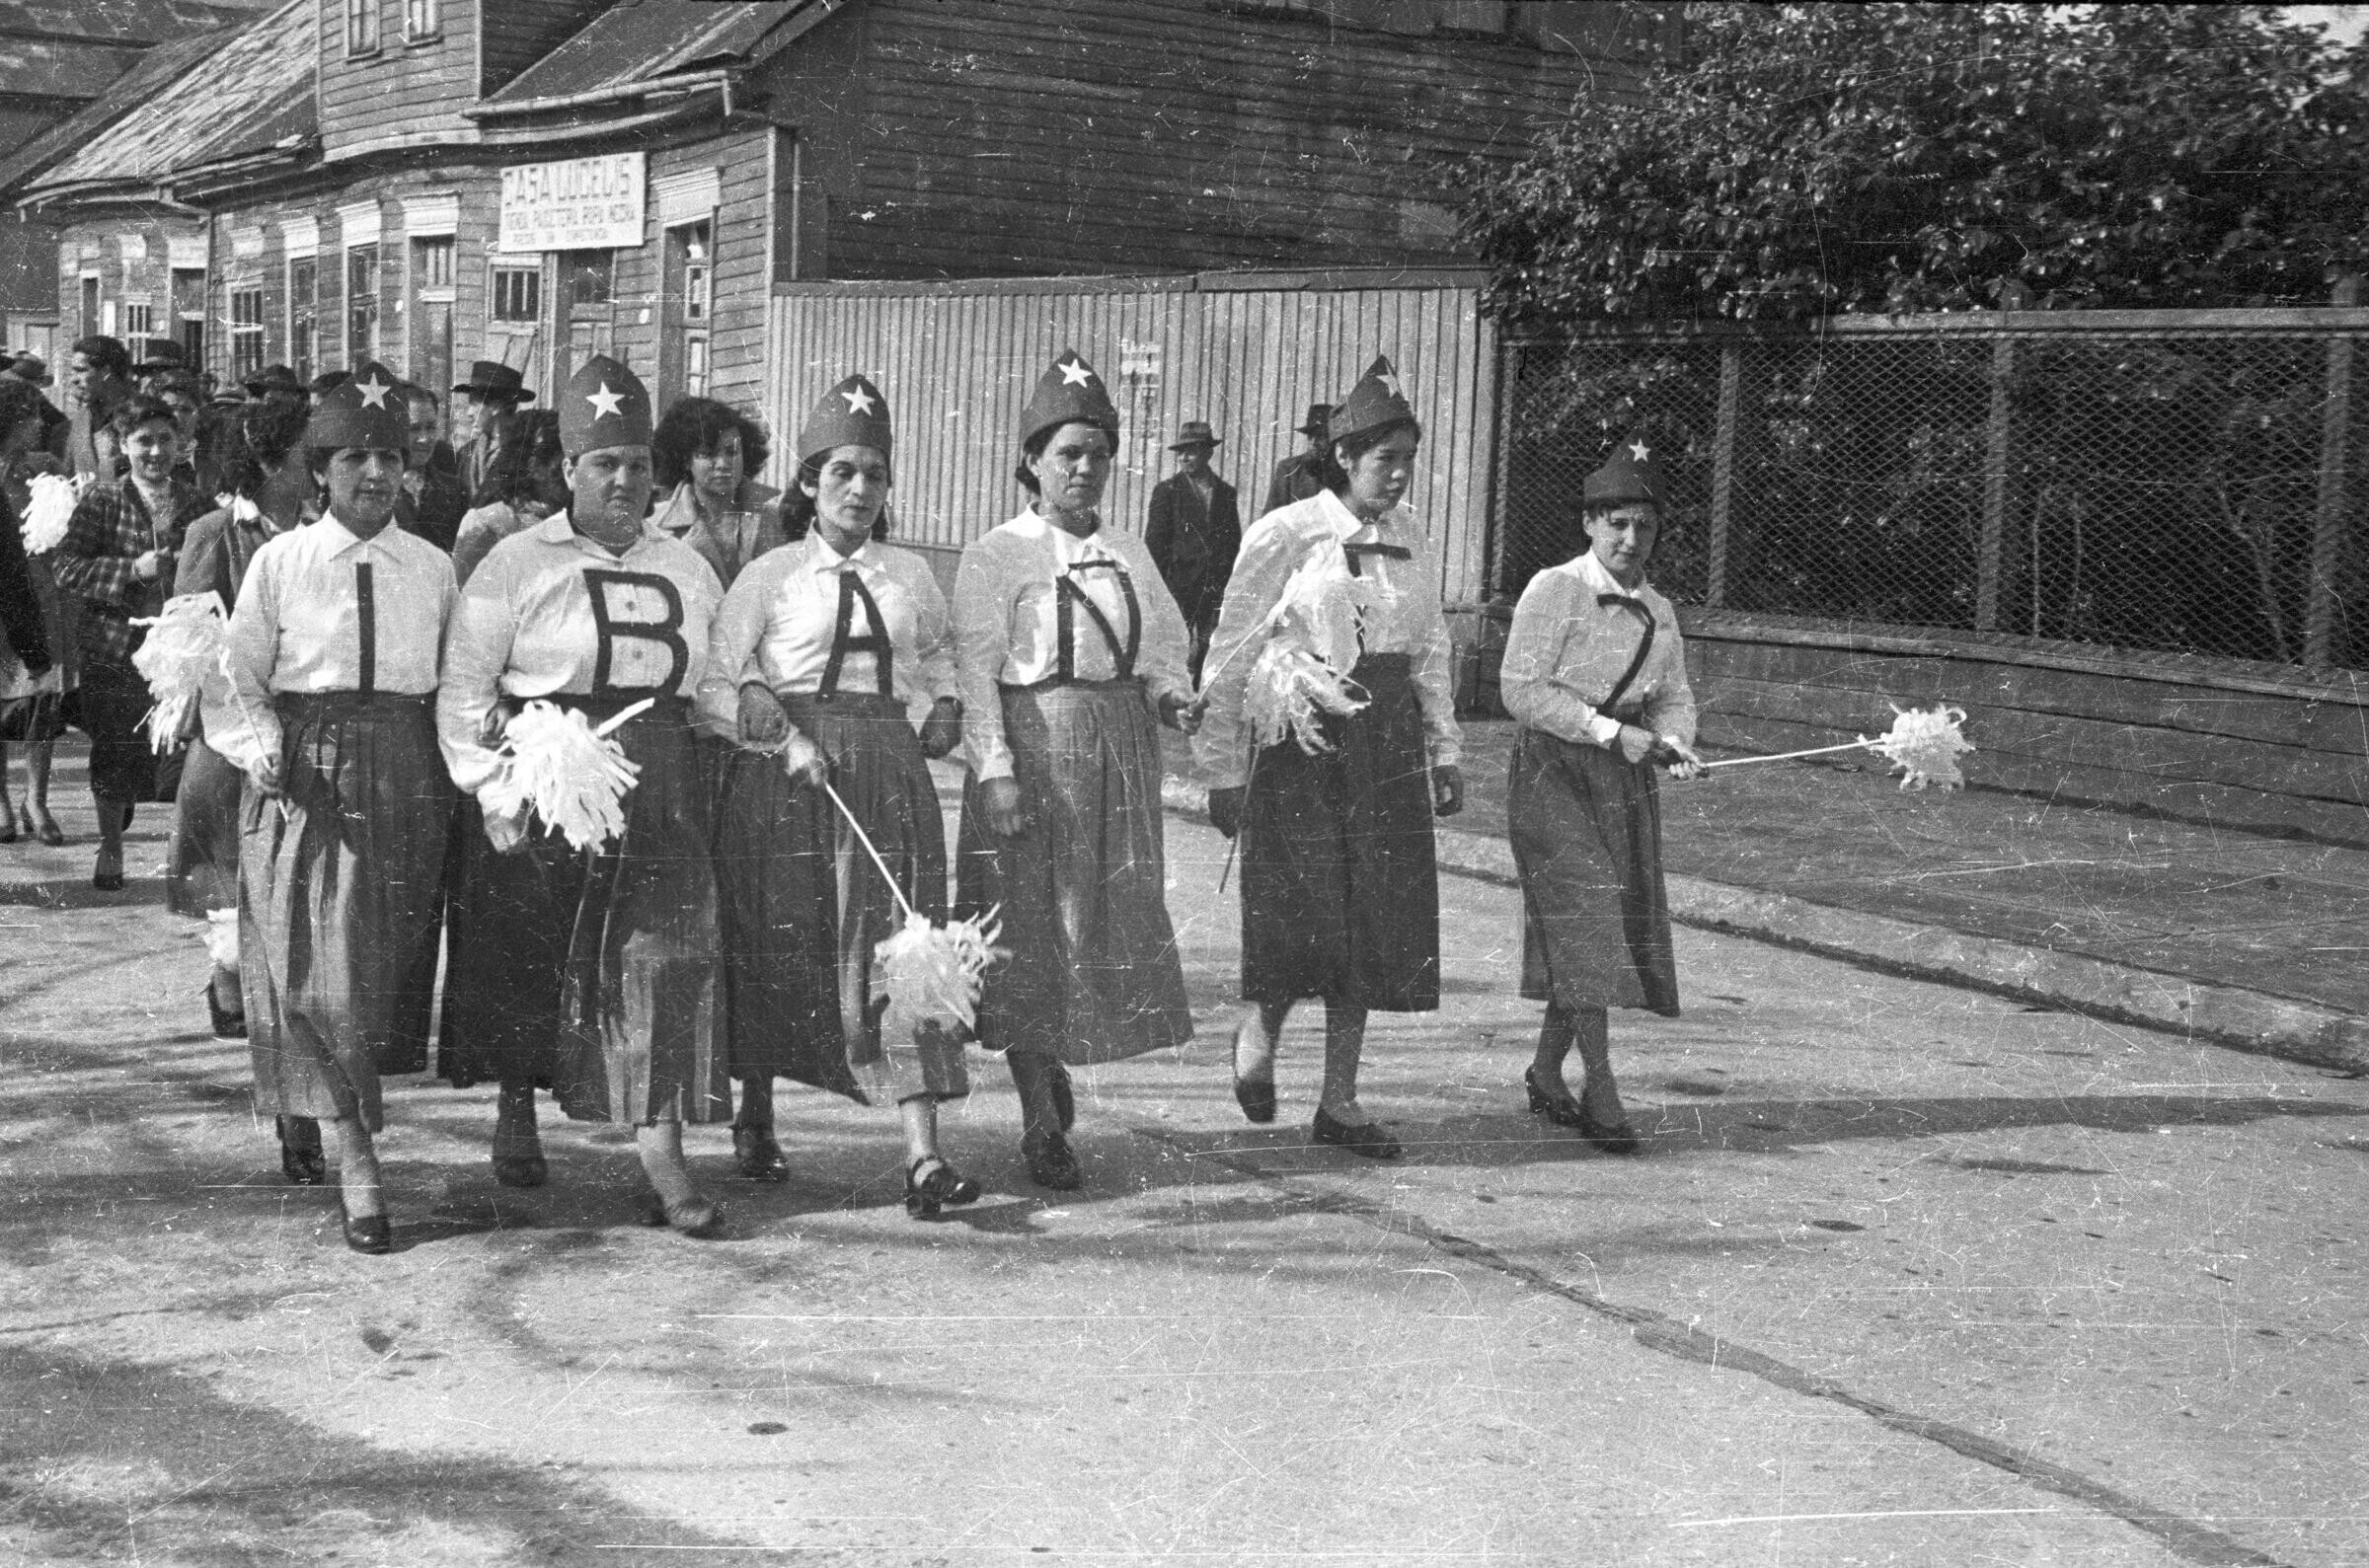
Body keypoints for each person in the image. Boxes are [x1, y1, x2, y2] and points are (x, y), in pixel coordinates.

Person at [437, 354, 730, 1234]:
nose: (625, 481)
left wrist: (744, 710)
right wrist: (494, 791)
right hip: (553, 775)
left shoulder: (685, 566)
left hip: (661, 781)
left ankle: (662, 1145)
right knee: (534, 943)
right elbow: (463, 687)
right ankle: (516, 1107)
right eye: (605, 463)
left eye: (639, 464)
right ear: (568, 470)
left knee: (664, 955)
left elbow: (711, 681)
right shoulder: (516, 564)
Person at [703, 374, 978, 1214]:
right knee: (778, 938)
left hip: (888, 777)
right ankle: (756, 1111)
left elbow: (938, 660)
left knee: (902, 943)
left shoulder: (910, 576)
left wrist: (941, 709)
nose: (860, 491)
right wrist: (774, 726)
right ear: (809, 484)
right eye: (842, 474)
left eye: (875, 475)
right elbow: (720, 676)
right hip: (788, 778)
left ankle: (923, 1154)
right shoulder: (773, 574)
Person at [208, 363, 458, 1252]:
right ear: (321, 470)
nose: (374, 475)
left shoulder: (431, 567)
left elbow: (458, 684)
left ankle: (312, 1106)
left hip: (406, 773)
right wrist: (260, 746)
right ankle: (362, 1165)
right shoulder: (281, 562)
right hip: (305, 773)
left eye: (389, 457)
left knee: (375, 971)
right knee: (326, 966)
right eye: (353, 457)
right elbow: (234, 683)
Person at [1195, 357, 1465, 1160]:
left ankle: (1340, 1099)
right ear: (1343, 456)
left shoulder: (1410, 534)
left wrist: (1446, 748)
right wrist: (1222, 769)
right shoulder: (1285, 532)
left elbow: (1430, 647)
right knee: (1298, 904)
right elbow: (1232, 651)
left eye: (1409, 459)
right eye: (1386, 459)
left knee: (1374, 918)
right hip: (1302, 737)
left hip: (1384, 743)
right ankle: (1257, 1032)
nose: (1399, 474)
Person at [951, 350, 1198, 1191]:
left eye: (1097, 452)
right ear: (1031, 461)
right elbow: (977, 670)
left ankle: (1057, 1062)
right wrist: (995, 770)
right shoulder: (998, 553)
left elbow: (1163, 644)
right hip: (1037, 742)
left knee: (1099, 925)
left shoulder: (1129, 548)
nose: (1085, 469)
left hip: (1120, 746)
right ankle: (1040, 1117)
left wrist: (1174, 697)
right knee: (1034, 927)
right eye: (1067, 453)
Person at [1497, 435, 1703, 1154]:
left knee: (1598, 925)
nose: (1629, 536)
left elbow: (1674, 695)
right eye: (1615, 521)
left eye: (1643, 524)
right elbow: (1520, 689)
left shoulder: (1661, 609)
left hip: (1623, 781)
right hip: (1553, 771)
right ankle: (1603, 1085)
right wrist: (1611, 734)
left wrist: (1676, 741)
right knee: (1585, 916)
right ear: (1588, 523)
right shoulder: (1555, 588)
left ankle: (1547, 1070)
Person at [166, 397, 311, 1054]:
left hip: (305, 732)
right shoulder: (215, 533)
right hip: (232, 739)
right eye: (314, 450)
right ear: (272, 460)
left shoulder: (326, 532)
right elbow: (193, 648)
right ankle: (228, 979)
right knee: (230, 878)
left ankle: (280, 996)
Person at [49, 394, 206, 890]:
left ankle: (182, 853)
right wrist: (130, 570)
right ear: (123, 445)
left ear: (181, 444)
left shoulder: (197, 501)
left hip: (179, 652)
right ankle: (111, 846)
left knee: (180, 756)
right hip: (117, 647)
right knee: (115, 749)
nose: (155, 452)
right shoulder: (104, 500)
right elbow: (67, 567)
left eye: (165, 440)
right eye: (143, 442)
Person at [0, 377, 65, 846]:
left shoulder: (44, 470)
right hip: (7, 600)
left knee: (42, 699)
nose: (41, 424)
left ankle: (36, 799)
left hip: (38, 594)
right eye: (33, 416)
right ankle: (1, 799)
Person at [648, 396, 787, 590]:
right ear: (686, 460)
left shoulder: (774, 521)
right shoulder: (654, 525)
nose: (722, 464)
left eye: (732, 452)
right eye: (708, 454)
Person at [1144, 419, 1241, 686]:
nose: (1184, 457)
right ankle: (1172, 695)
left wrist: (1228, 582)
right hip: (1178, 584)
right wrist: (1157, 589)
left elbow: (1234, 542)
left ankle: (1199, 696)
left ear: (1208, 453)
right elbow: (1155, 544)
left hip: (1214, 586)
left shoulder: (1225, 493)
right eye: (1180, 452)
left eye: (1192, 450)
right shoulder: (1167, 491)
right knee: (1175, 645)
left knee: (1211, 645)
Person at [396, 385, 469, 553]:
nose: (425, 439)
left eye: (430, 428)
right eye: (413, 429)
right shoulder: (377, 489)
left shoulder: (455, 491)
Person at [451, 361, 534, 508]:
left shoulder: (527, 457)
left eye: (474, 404)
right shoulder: (466, 455)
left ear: (495, 406)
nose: (469, 413)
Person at [64, 336, 133, 483]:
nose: (73, 379)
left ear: (105, 372)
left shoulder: (141, 414)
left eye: (81, 370)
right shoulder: (80, 420)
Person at [1261, 403, 1332, 515]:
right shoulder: (1289, 470)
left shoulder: (1342, 473)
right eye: (1310, 436)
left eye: (1320, 436)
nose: (1313, 442)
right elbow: (1270, 517)